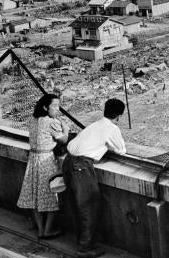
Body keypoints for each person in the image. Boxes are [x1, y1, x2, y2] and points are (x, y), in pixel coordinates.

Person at [63, 98, 127, 258]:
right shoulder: (112, 128)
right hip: (81, 166)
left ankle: (81, 240)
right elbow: (121, 150)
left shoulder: (94, 124)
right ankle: (85, 249)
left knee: (75, 204)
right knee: (89, 206)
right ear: (119, 116)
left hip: (68, 161)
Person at [17, 93, 69, 239]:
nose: (57, 109)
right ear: (46, 107)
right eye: (55, 106)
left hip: (33, 159)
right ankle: (48, 230)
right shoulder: (51, 122)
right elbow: (64, 139)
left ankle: (40, 230)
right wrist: (65, 128)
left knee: (35, 196)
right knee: (53, 194)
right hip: (46, 160)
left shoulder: (33, 119)